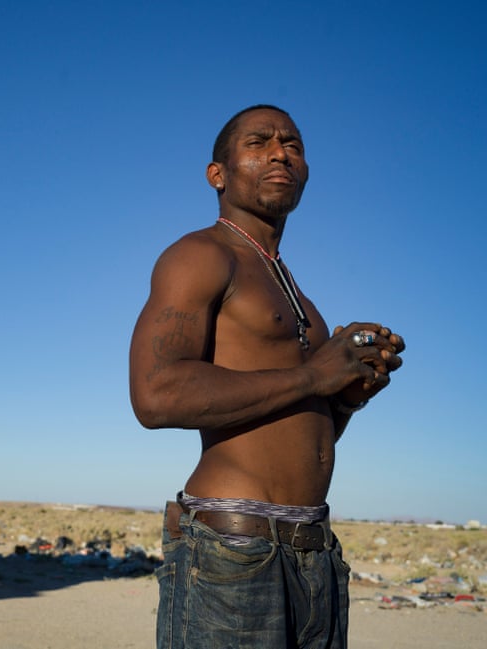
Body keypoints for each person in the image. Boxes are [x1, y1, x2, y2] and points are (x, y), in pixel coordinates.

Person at [128, 105, 405, 649]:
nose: (281, 152)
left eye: (294, 145)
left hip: (313, 552)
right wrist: (314, 377)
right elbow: (155, 395)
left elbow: (293, 427)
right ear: (218, 174)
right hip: (234, 550)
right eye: (260, 143)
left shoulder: (299, 296)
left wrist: (346, 398)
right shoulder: (200, 255)